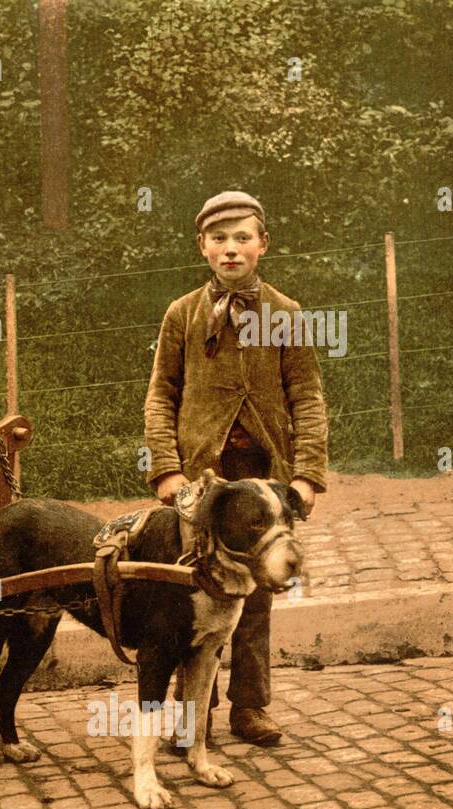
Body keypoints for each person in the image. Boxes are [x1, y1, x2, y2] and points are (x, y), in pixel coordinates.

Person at [143, 190, 329, 747]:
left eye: (242, 238)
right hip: (202, 480)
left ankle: (250, 706)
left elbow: (309, 398)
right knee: (193, 592)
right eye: (219, 239)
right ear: (202, 247)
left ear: (262, 245)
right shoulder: (182, 314)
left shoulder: (287, 314)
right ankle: (190, 717)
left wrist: (307, 475)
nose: (231, 250)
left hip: (264, 476)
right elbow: (161, 397)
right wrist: (168, 472)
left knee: (257, 593)